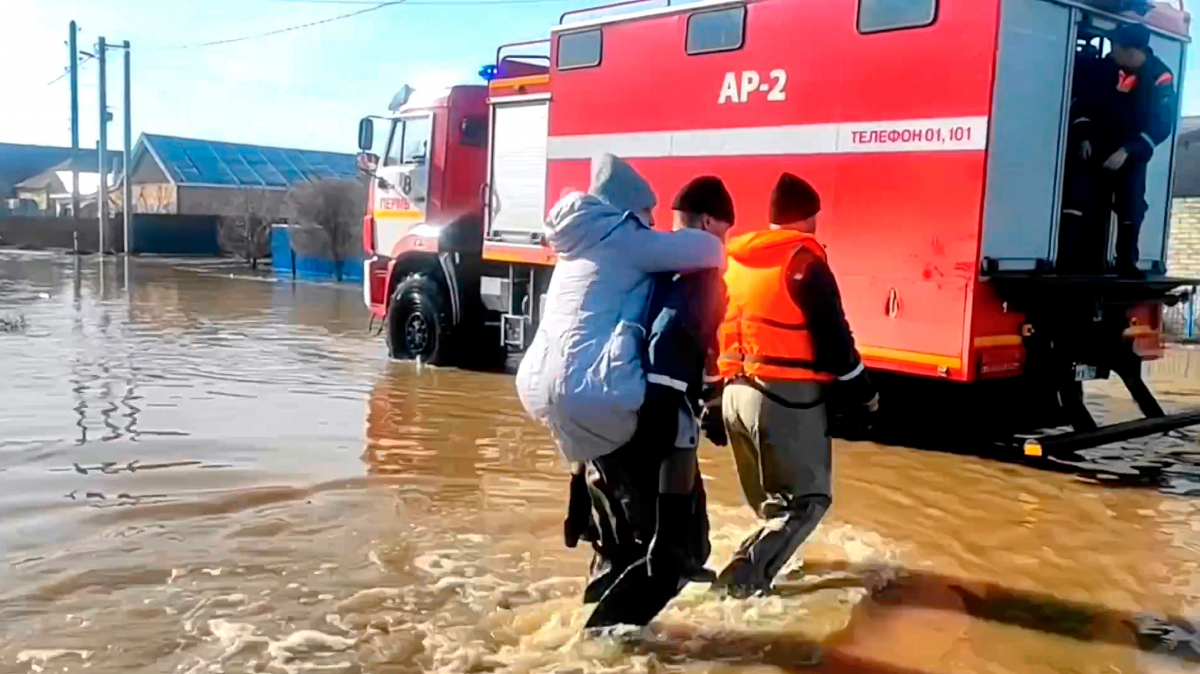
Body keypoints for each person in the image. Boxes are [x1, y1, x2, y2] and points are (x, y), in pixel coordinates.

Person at [513, 155, 724, 619]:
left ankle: (593, 524)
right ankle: (660, 564)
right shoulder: (623, 238)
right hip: (595, 393)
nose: (650, 225)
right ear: (630, 211)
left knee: (618, 539)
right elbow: (710, 253)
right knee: (676, 431)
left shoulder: (575, 244)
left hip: (544, 390)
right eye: (647, 216)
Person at [578, 177, 736, 629]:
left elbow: (698, 349)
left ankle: (592, 617)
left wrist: (711, 394)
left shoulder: (647, 266)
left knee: (623, 544)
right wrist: (668, 410)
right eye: (724, 231)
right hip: (645, 421)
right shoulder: (701, 277)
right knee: (684, 549)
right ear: (708, 222)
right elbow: (670, 340)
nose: (722, 243)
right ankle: (600, 646)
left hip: (597, 416)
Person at [714, 173, 878, 598]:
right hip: (783, 398)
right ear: (810, 218)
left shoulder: (733, 262)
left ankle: (752, 579)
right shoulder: (805, 263)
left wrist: (710, 397)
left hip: (733, 392)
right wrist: (864, 391)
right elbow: (834, 341)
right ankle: (741, 582)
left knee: (773, 507)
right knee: (809, 502)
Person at [1063, 22, 1176, 276]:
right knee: (1083, 202)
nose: (1111, 52)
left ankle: (1127, 264)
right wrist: (1083, 138)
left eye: (1115, 47)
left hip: (1132, 153)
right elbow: (1083, 104)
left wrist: (1128, 151)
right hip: (1095, 149)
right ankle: (1076, 262)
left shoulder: (1160, 75)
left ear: (1132, 50)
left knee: (1131, 207)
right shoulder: (1104, 69)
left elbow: (1162, 123)